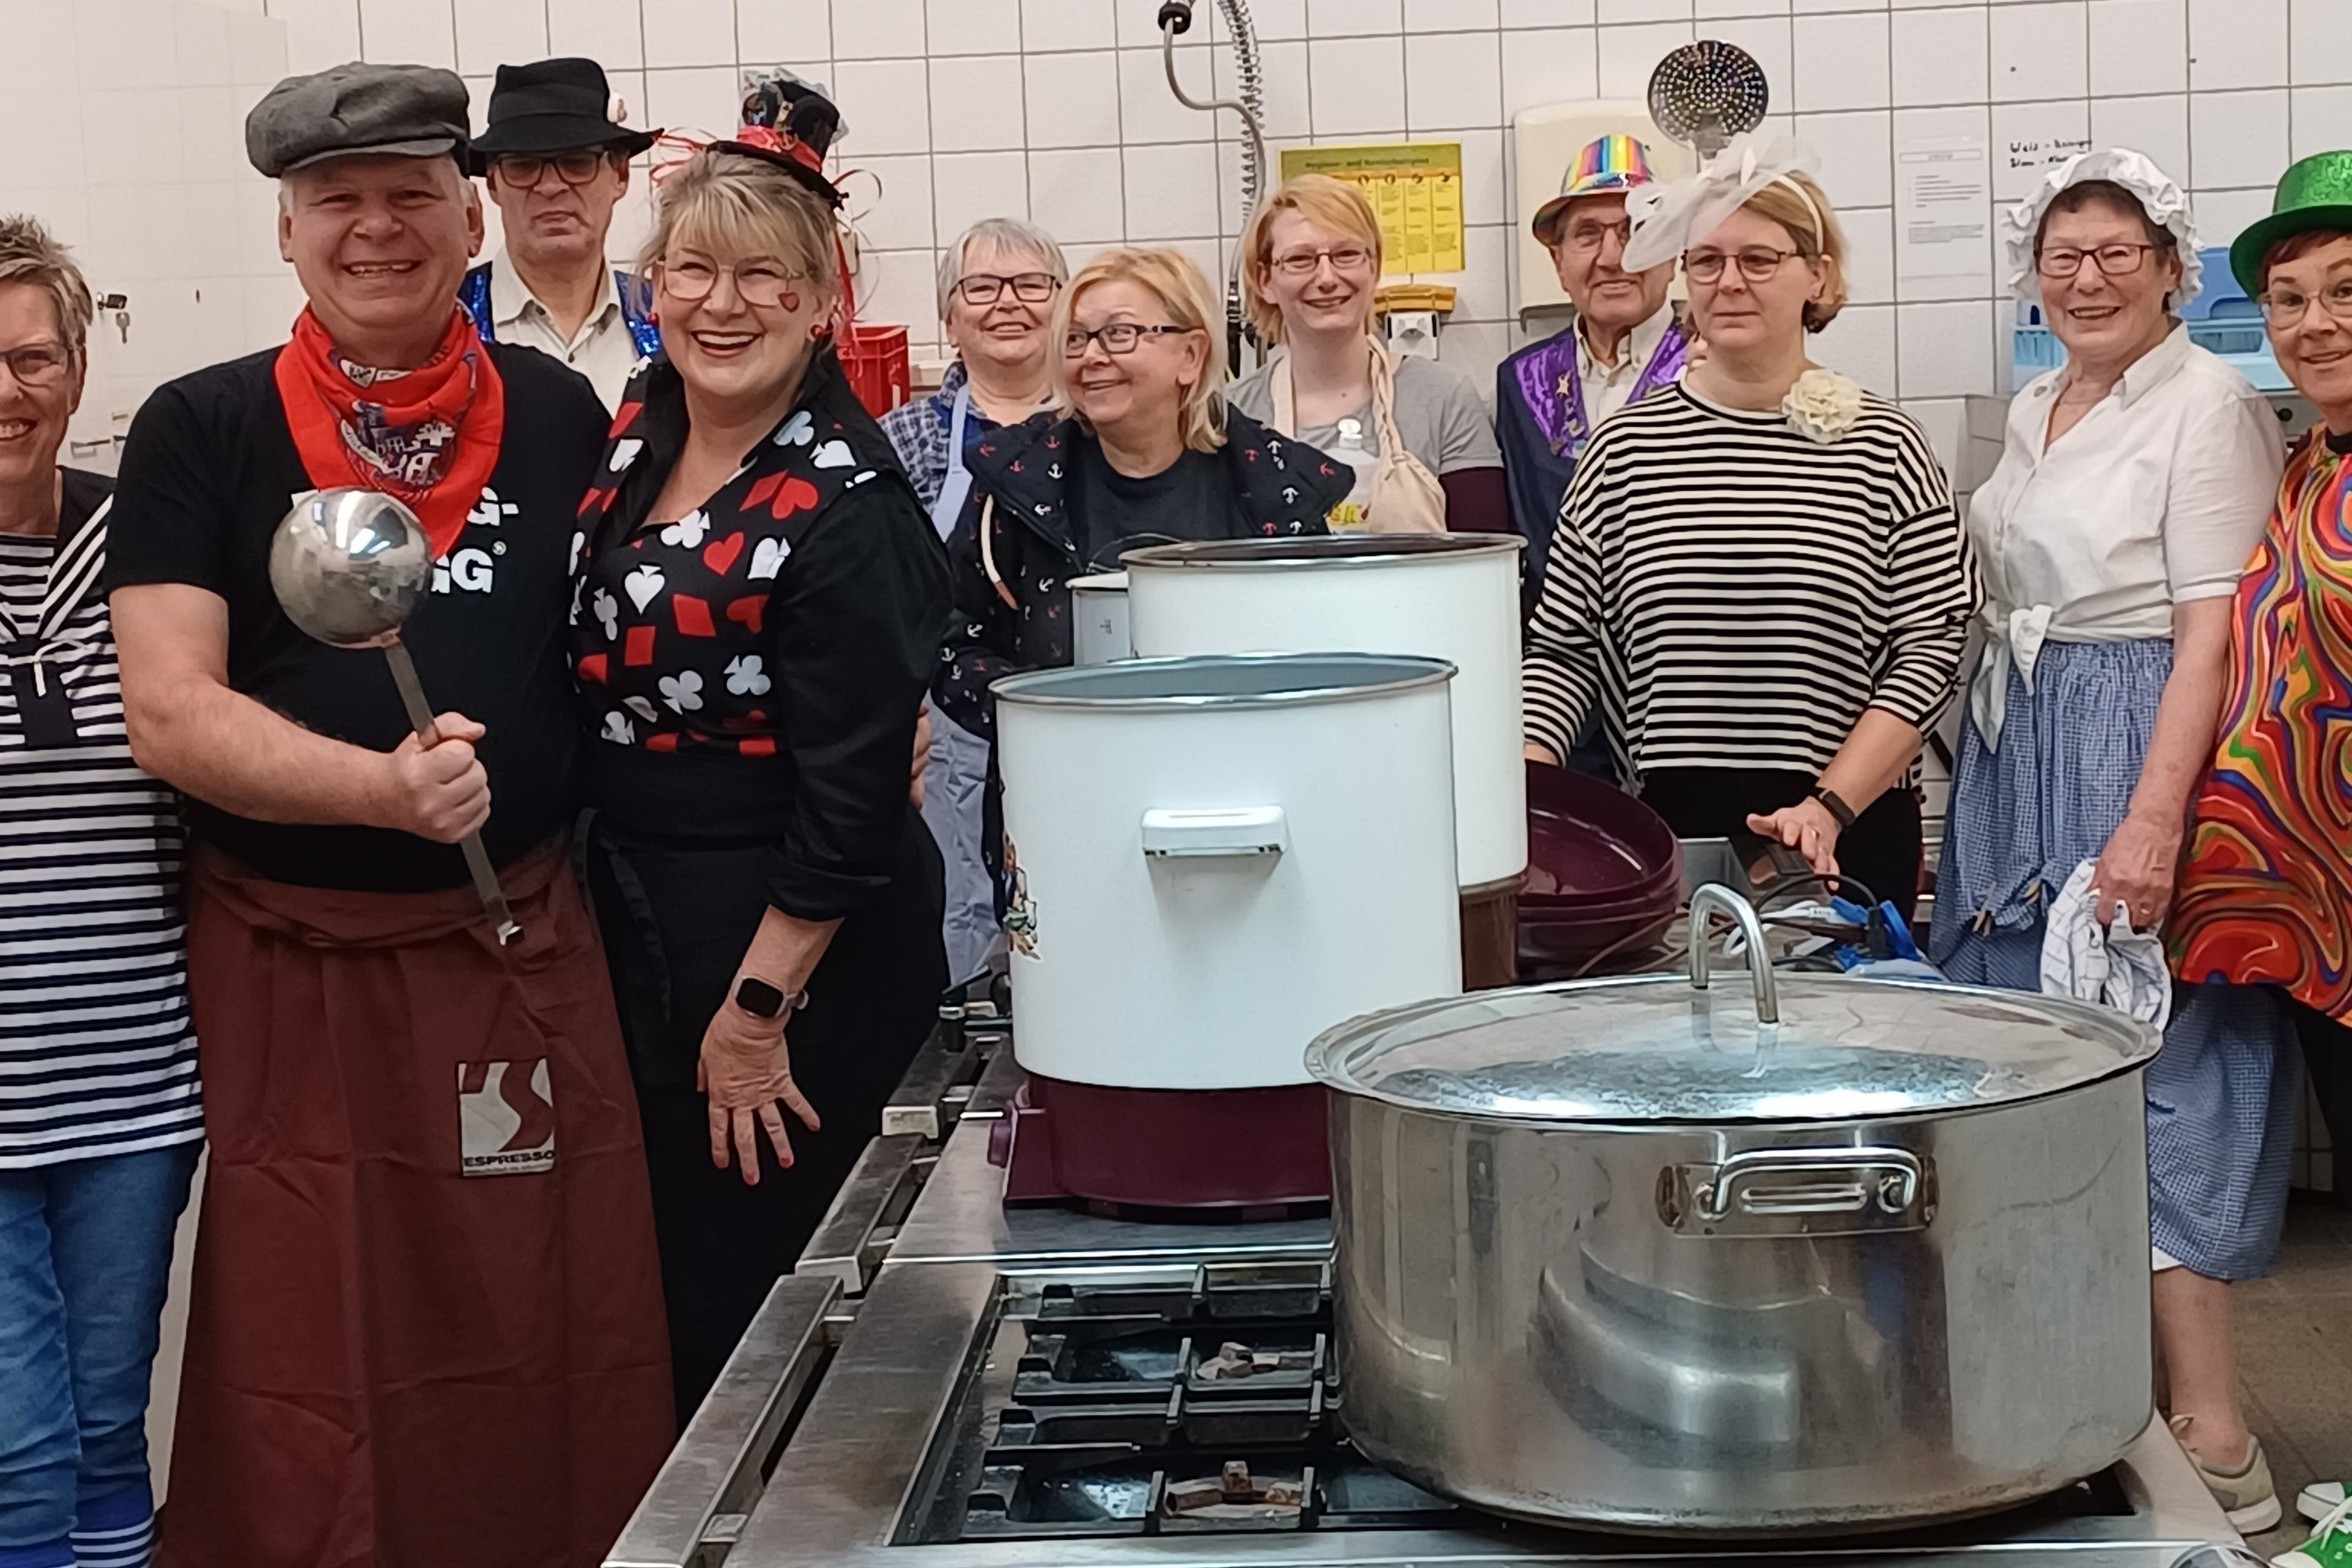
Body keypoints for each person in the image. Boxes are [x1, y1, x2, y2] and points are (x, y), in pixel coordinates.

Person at [104, 64, 671, 1568]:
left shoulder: (555, 414)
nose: (376, 228)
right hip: (295, 965)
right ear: (285, 233)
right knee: (306, 1328)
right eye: (335, 203)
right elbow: (167, 709)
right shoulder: (201, 427)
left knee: (546, 1305)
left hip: (516, 940)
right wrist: (384, 791)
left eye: (411, 194)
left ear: (470, 214)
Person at [1920, 151, 2292, 1532]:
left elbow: (2211, 636)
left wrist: (2150, 823)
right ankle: (2094, 1402)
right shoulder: (2036, 404)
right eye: (2062, 255)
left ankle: (2219, 1438)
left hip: (2139, 734)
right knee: (2038, 1057)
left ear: (2172, 271)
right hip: (2023, 742)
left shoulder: (2209, 405)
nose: (2086, 277)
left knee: (2167, 1060)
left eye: (2116, 253)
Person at [572, 81, 949, 1422]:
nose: (721, 305)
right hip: (650, 919)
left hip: (792, 958)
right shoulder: (638, 433)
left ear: (818, 300)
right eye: (693, 270)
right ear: (652, 288)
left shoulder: (847, 505)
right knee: (674, 1287)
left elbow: (852, 810)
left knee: (773, 1307)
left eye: (762, 278)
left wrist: (751, 1022)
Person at [1521, 135, 1978, 923]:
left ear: (1818, 275)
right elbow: (1564, 649)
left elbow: (1932, 645)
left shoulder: (1885, 445)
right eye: (1706, 261)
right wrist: (1523, 786)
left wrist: (1829, 806)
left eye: (1759, 259)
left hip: (1849, 829)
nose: (1729, 281)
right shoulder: (1625, 451)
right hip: (1667, 833)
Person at [0, 216, 199, 1568]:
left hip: (136, 1082)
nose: (5, 394)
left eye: (29, 359)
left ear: (78, 368)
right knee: (16, 1444)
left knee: (108, 1424)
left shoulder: (148, 548)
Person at [2167, 151, 2352, 1555]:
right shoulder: (2305, 463)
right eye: (2288, 298)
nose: (2312, 321)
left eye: (2344, 291)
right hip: (2315, 920)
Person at [932, 244, 1348, 738]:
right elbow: (950, 640)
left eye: (1119, 334)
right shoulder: (1017, 481)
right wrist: (1044, 713)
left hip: (1244, 763)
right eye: (1076, 339)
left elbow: (1327, 651)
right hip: (1062, 776)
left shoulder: (1275, 490)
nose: (1092, 356)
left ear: (1190, 356)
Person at [881, 217, 1066, 990]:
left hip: (1077, 715)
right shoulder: (906, 438)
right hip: (951, 730)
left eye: (1030, 285)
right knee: (961, 923)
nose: (1007, 304)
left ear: (1064, 305)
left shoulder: (1100, 432)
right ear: (949, 318)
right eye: (981, 288)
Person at [1227, 174, 1504, 534]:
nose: (1326, 277)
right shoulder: (1234, 416)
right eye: (1300, 259)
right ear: (1266, 281)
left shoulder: (1445, 399)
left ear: (1373, 266)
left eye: (1346, 254)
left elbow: (1485, 560)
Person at [1496, 135, 1693, 585]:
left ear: (1673, 257)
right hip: (1560, 646)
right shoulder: (1522, 381)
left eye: (1636, 231)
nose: (1613, 258)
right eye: (1588, 234)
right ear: (1558, 261)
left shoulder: (1712, 369)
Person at [464, 56, 661, 408]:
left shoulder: (670, 319)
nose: (551, 186)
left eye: (577, 162)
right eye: (523, 166)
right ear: (493, 184)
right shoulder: (443, 323)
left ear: (620, 175)